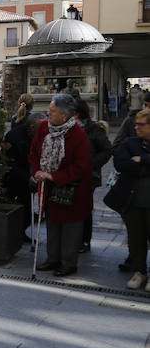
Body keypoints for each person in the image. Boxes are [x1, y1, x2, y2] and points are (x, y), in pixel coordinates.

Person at [29, 94, 93, 277]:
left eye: (52, 111)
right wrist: (37, 171)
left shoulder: (78, 134)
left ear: (64, 115)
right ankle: (52, 259)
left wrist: (53, 175)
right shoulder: (43, 128)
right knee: (52, 223)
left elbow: (81, 166)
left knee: (70, 227)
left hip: (72, 189)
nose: (48, 113)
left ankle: (68, 263)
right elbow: (33, 152)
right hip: (48, 186)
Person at [107, 109, 150, 291]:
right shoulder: (130, 143)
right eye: (136, 123)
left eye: (141, 124)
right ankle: (139, 271)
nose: (136, 127)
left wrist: (142, 159)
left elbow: (131, 165)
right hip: (132, 200)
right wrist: (144, 166)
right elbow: (120, 162)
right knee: (136, 238)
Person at [75, 98, 112, 253]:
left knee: (84, 207)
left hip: (89, 175)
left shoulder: (94, 129)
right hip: (72, 173)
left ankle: (84, 240)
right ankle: (74, 238)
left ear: (77, 114)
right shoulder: (68, 128)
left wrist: (92, 164)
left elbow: (107, 150)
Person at [3, 112, 46, 244]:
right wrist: (27, 177)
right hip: (14, 177)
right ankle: (11, 235)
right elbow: (10, 162)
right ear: (32, 127)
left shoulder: (38, 136)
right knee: (14, 207)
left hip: (30, 176)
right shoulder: (14, 136)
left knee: (28, 209)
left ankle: (21, 233)